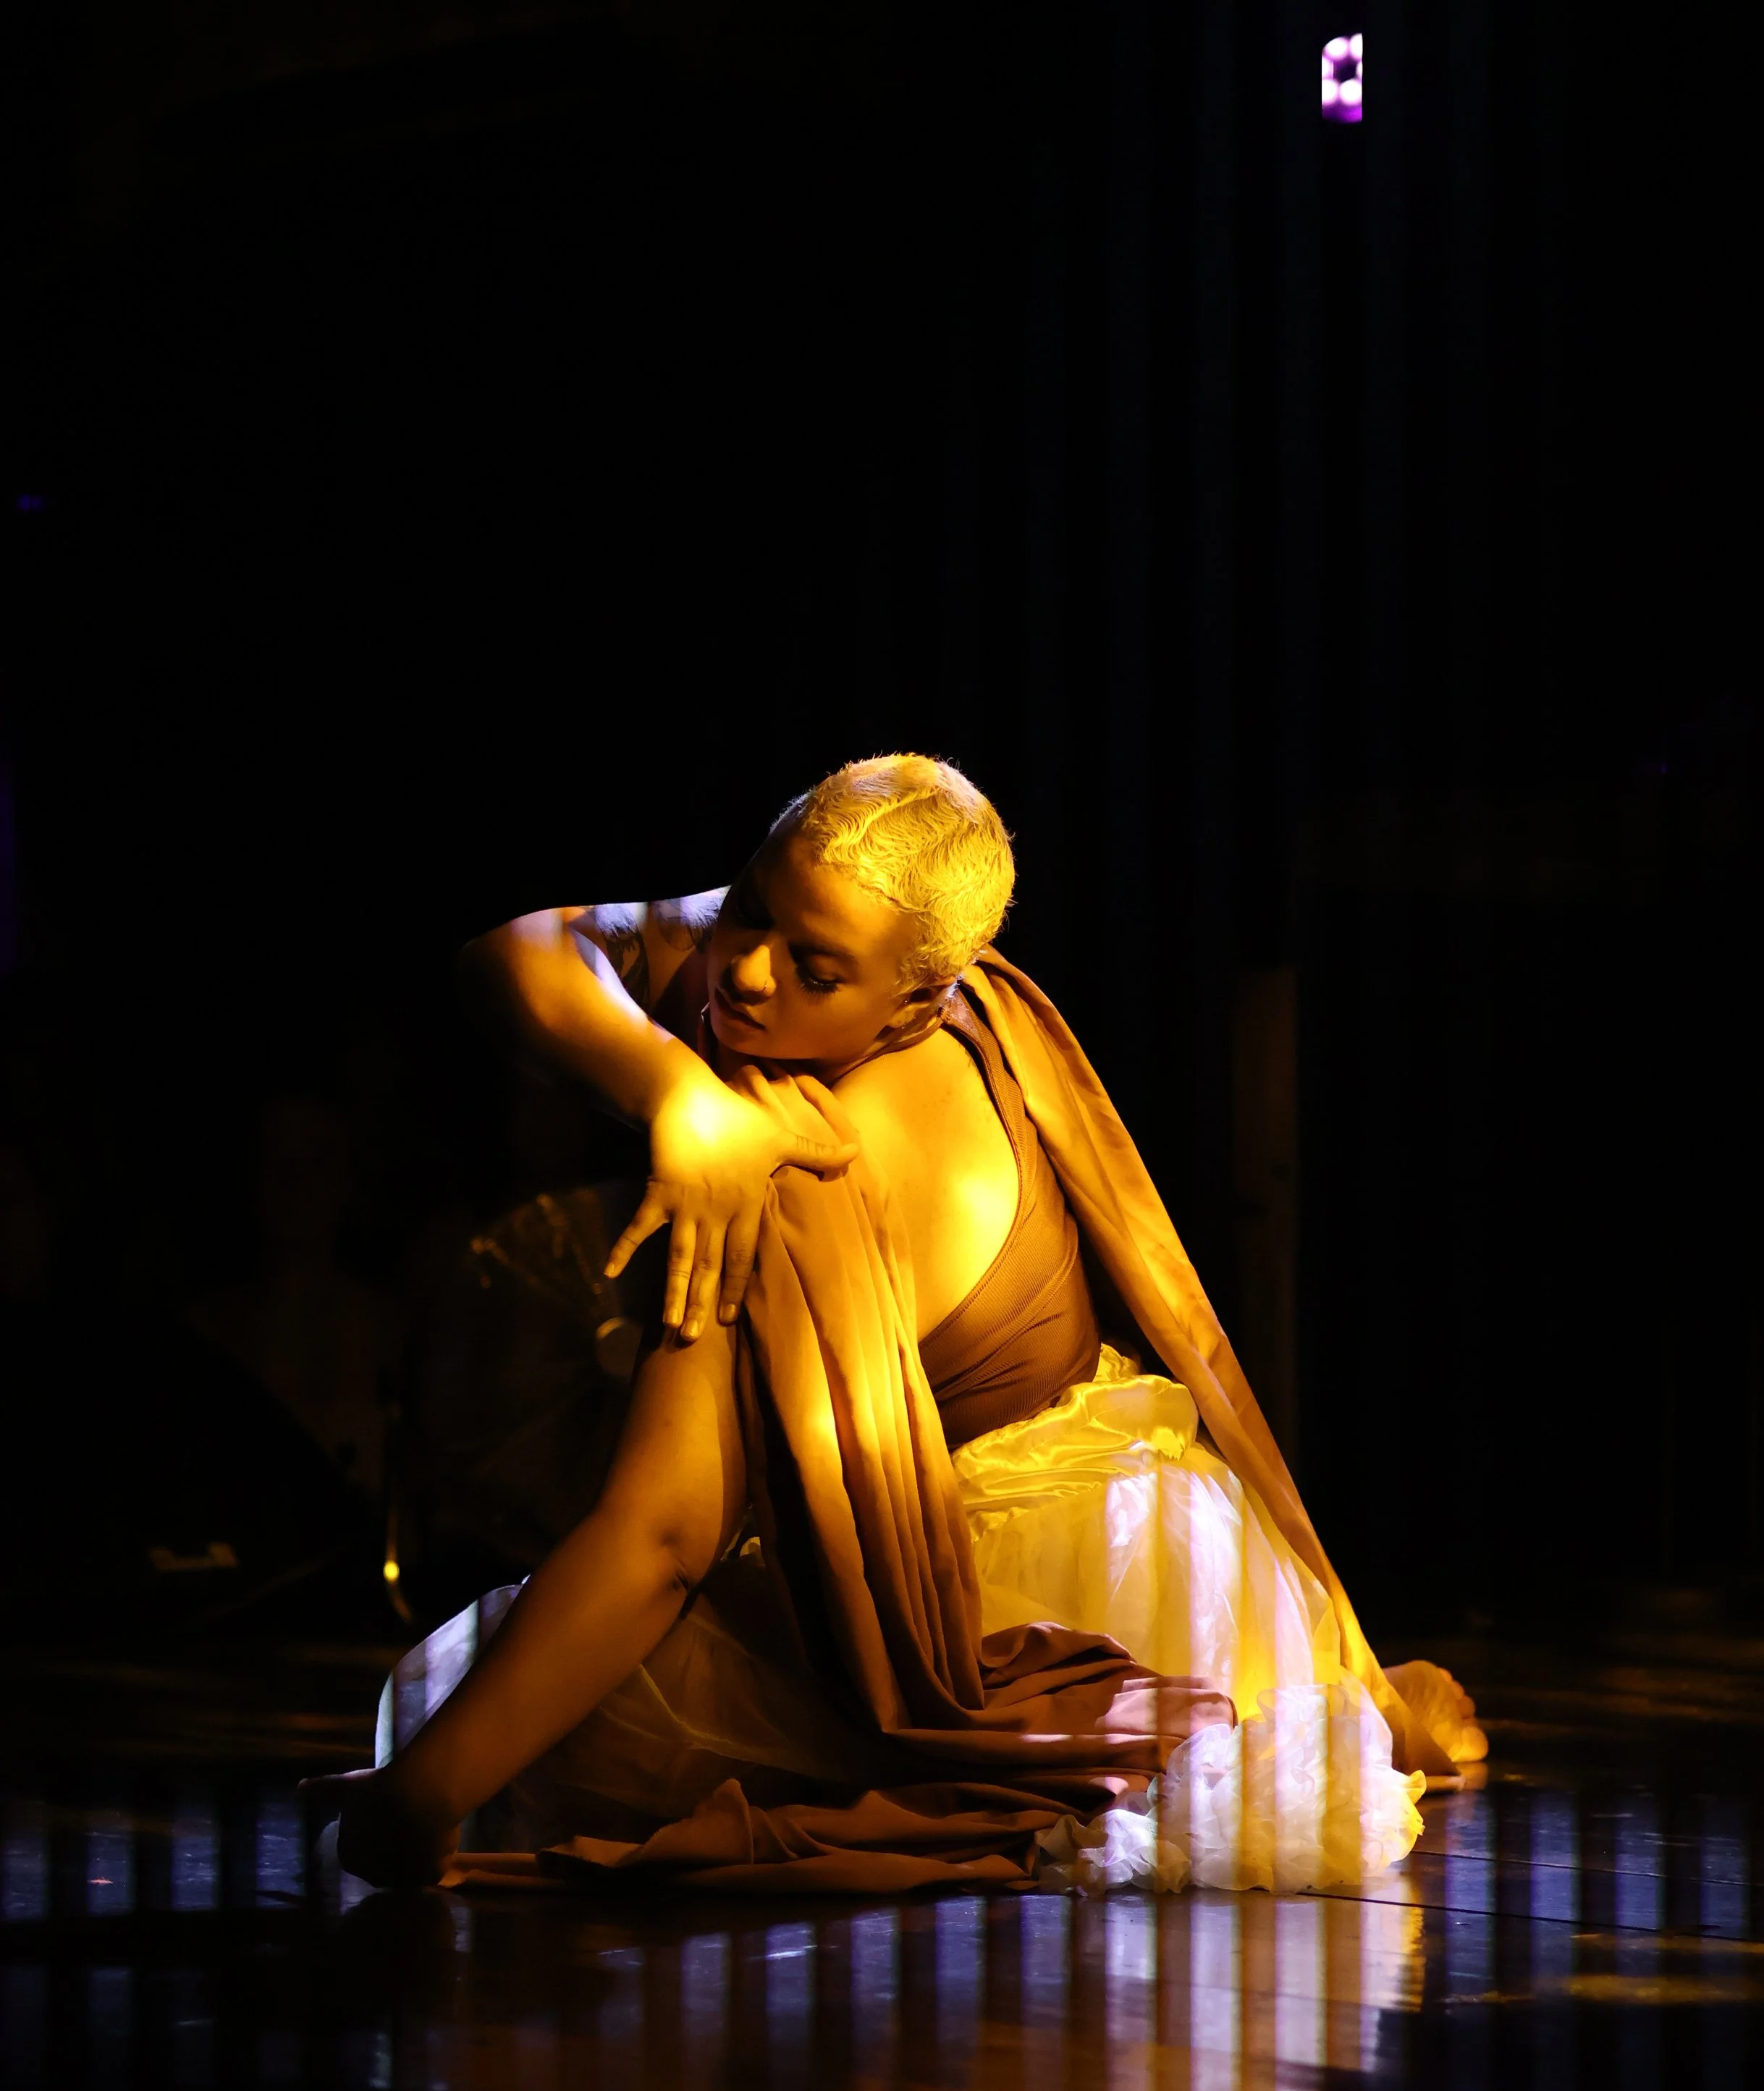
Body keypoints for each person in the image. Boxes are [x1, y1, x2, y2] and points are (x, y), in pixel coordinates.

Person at [308, 756, 1482, 1897]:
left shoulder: (809, 1162)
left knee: (460, 1702)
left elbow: (662, 1533)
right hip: (1158, 1509)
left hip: (1035, 1591)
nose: (750, 973)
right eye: (750, 911)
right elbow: (519, 949)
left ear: (920, 994)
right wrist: (674, 1091)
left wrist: (417, 1799)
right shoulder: (911, 989)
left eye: (812, 967)